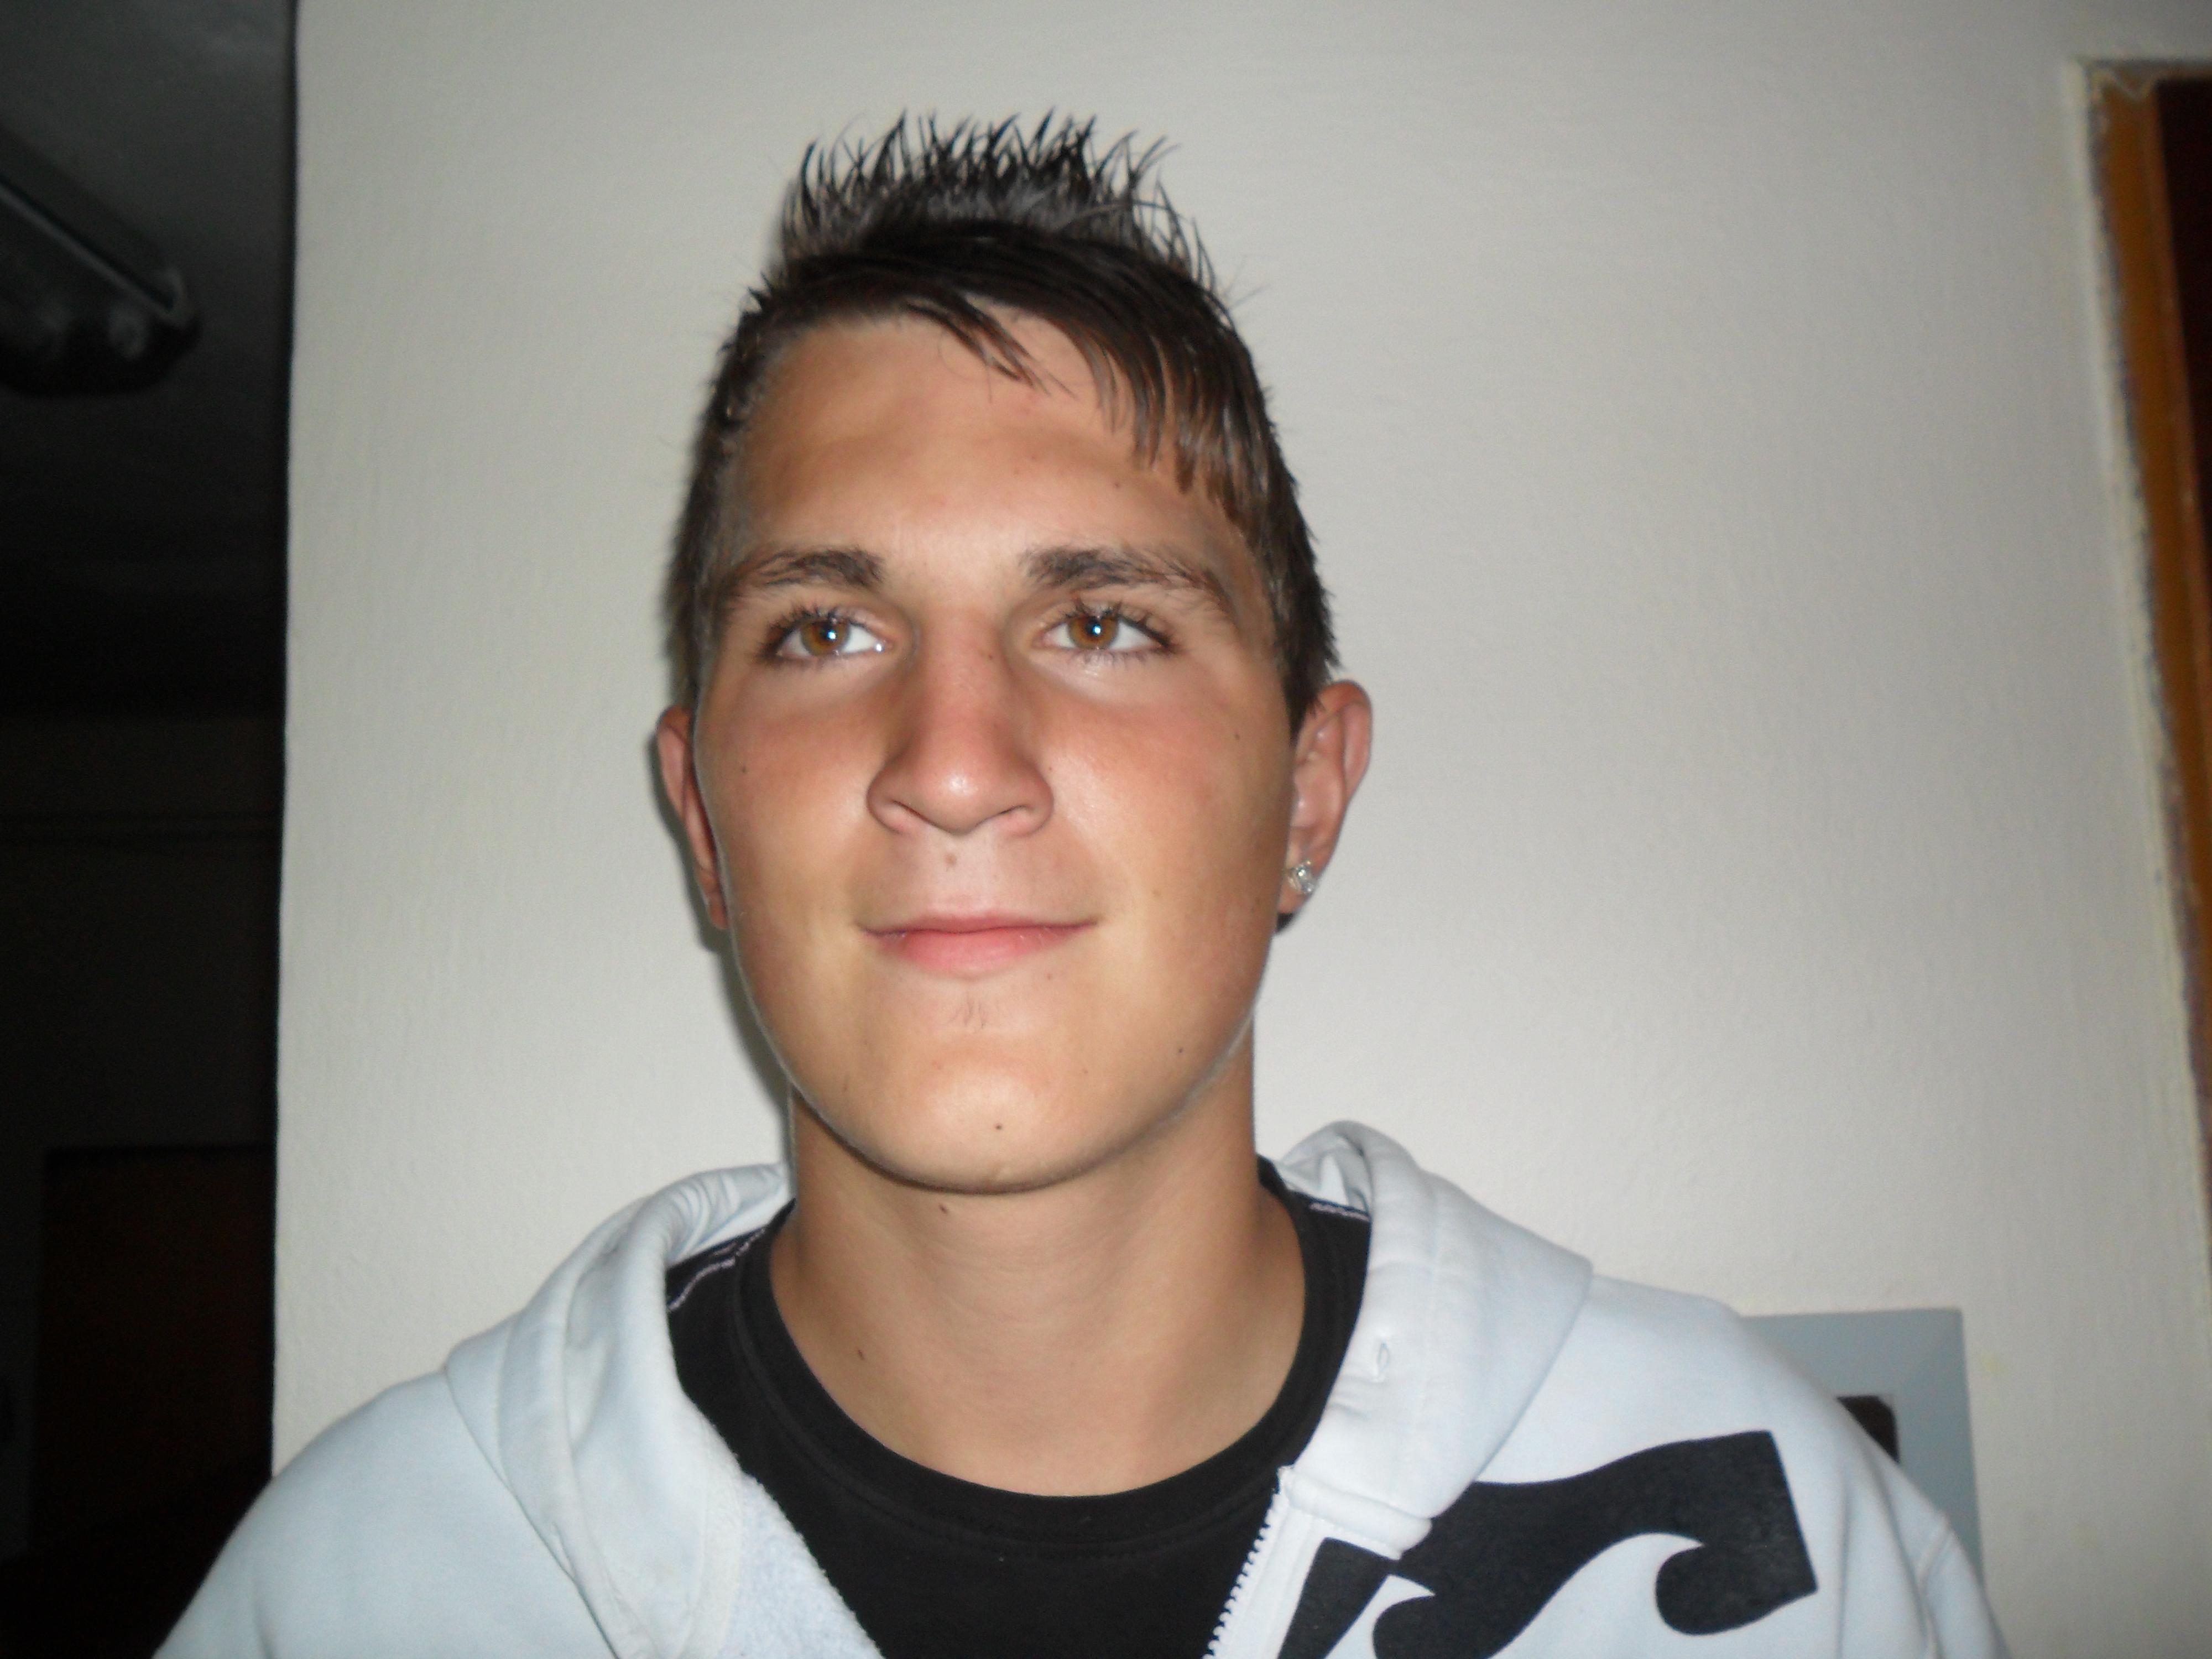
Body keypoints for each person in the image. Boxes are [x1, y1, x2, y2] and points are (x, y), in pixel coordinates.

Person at [161, 117, 2005, 1659]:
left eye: (1106, 621)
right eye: (826, 628)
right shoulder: (367, 1590)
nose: (955, 762)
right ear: (705, 824)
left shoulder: (1781, 1540)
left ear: (1309, 789)